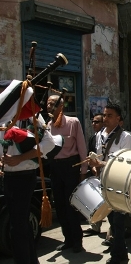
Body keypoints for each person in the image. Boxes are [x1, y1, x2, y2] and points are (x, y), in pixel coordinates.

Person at [0, 88, 56, 263]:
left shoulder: (31, 116)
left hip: (24, 176)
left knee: (18, 227)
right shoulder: (3, 116)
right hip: (7, 177)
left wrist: (20, 158)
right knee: (19, 226)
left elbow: (49, 143)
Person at [87, 103, 131, 264]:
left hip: (117, 182)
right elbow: (99, 156)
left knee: (118, 222)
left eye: (109, 116)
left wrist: (101, 164)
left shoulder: (125, 136)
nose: (105, 118)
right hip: (103, 181)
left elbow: (124, 161)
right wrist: (94, 165)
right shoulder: (100, 134)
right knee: (112, 220)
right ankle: (119, 252)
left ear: (118, 118)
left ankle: (119, 256)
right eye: (104, 115)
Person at [46, 94, 87, 253]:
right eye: (48, 104)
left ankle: (77, 241)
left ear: (60, 106)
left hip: (71, 166)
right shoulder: (48, 125)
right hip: (55, 167)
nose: (48, 107)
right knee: (60, 205)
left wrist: (83, 172)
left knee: (72, 205)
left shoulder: (73, 122)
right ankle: (68, 239)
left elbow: (82, 147)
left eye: (52, 104)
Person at [83, 113, 104, 235]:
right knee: (98, 200)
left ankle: (129, 227)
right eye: (93, 121)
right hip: (96, 172)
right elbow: (90, 155)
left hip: (106, 171)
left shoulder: (105, 137)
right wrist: (93, 167)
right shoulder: (93, 137)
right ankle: (95, 226)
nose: (93, 124)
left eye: (97, 122)